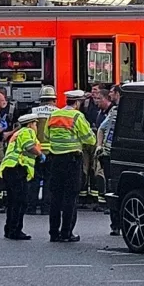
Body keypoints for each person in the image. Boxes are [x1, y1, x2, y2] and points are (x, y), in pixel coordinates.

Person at [46, 89, 96, 242]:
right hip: (72, 160)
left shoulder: (54, 115)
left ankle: (53, 233)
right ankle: (66, 232)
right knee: (70, 197)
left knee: (55, 197)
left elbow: (47, 135)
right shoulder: (77, 116)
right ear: (77, 103)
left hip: (55, 160)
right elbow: (90, 139)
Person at [0, 113, 44, 240]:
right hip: (17, 168)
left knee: (12, 201)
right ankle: (15, 230)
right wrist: (40, 155)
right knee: (20, 201)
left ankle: (9, 229)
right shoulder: (27, 132)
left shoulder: (18, 133)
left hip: (10, 168)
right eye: (35, 124)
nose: (36, 127)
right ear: (30, 124)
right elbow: (29, 146)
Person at [28, 85, 58, 214]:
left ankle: (31, 207)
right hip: (52, 152)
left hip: (35, 151)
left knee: (34, 180)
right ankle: (46, 208)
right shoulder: (57, 112)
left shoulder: (33, 112)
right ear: (54, 99)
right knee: (49, 181)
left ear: (40, 99)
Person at [97, 84, 122, 236]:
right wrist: (99, 146)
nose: (110, 95)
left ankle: (120, 223)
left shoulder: (129, 111)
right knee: (111, 188)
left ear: (118, 94)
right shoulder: (113, 111)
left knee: (118, 189)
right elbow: (102, 128)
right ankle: (115, 225)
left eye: (112, 92)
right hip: (108, 154)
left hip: (121, 155)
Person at [91, 86, 113, 210]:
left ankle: (105, 203)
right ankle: (103, 201)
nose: (96, 101)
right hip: (102, 148)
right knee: (99, 173)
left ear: (106, 99)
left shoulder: (112, 112)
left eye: (99, 99)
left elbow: (103, 129)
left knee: (102, 175)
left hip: (107, 149)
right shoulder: (101, 112)